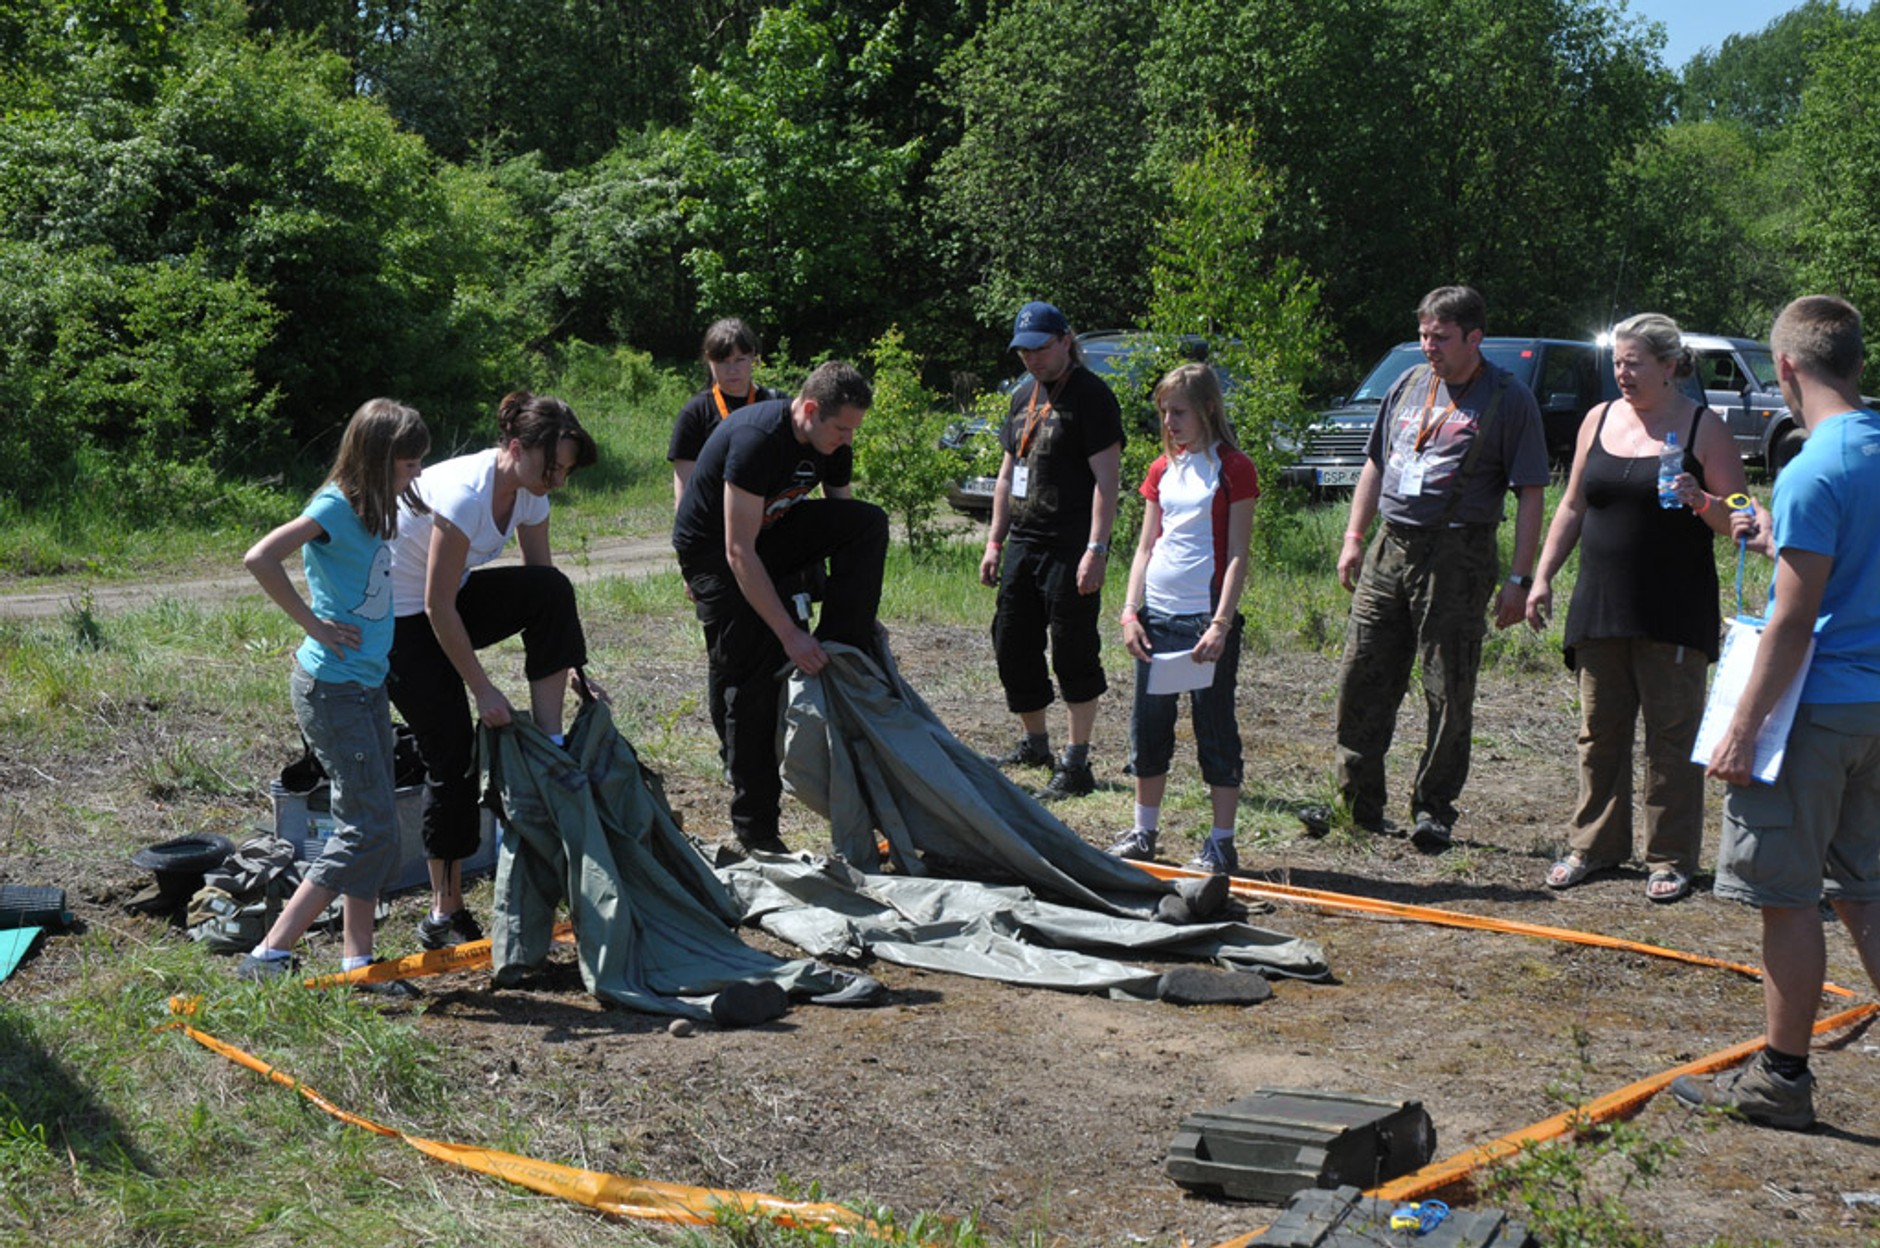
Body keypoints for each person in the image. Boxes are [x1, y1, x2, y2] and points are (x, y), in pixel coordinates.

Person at [1670, 295, 1880, 1131]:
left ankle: (1780, 1081)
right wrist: (1771, 535)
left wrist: (1743, 731)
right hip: (1872, 707)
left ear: (1786, 368)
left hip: (1812, 715)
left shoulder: (1814, 467)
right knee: (1867, 891)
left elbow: (1793, 621)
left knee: (1787, 897)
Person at [1526, 314, 1749, 902]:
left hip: (1673, 609)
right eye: (1618, 362)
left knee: (1672, 740)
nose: (1622, 373)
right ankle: (1593, 847)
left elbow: (1741, 522)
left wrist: (1703, 500)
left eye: (1635, 363)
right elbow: (1572, 504)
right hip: (1601, 605)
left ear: (1670, 365)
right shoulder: (1598, 419)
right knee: (1598, 734)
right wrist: (1542, 576)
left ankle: (1671, 858)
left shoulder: (1706, 429)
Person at [1322, 285, 1548, 851]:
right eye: (1424, 334)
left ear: (1475, 337)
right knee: (1363, 673)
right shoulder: (1407, 384)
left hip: (1458, 554)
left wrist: (1520, 579)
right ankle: (1357, 803)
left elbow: (1531, 494)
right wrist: (1354, 537)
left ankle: (1433, 808)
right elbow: (1375, 463)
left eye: (1441, 337)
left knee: (1448, 686)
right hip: (1389, 546)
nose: (1429, 347)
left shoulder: (1507, 398)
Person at [387, 391, 599, 950]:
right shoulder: (464, 495)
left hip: (447, 603)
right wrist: (482, 689)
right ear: (513, 447)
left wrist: (572, 664)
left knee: (553, 590)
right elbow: (435, 606)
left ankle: (550, 745)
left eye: (565, 470)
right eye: (550, 467)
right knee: (452, 750)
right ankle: (444, 912)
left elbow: (542, 580)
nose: (557, 479)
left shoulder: (529, 493)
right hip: (398, 624)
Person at [237, 399, 430, 984]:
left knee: (372, 818)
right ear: (375, 460)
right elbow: (261, 557)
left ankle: (358, 959)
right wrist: (315, 625)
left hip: (366, 685)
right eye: (407, 464)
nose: (415, 474)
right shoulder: (334, 506)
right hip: (332, 689)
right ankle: (269, 954)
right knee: (368, 828)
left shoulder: (378, 505)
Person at [672, 360, 888, 855]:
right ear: (809, 410)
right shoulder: (756, 440)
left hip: (770, 533)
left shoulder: (832, 440)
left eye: (853, 430)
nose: (847, 440)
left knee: (869, 523)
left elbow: (842, 519)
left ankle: (845, 646)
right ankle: (757, 828)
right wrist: (791, 634)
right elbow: (737, 551)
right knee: (755, 676)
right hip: (716, 552)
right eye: (841, 429)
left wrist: (853, 609)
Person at [1104, 365, 1258, 874]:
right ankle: (1144, 832)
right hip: (1157, 618)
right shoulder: (1160, 470)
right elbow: (1146, 545)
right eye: (1164, 412)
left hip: (1203, 622)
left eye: (1179, 412)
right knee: (1149, 729)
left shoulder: (1233, 468)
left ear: (1208, 409)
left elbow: (1238, 552)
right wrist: (1129, 610)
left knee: (1214, 727)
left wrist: (1220, 623)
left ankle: (1221, 842)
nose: (1169, 422)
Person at [978, 301, 1124, 800]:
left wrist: (1097, 549)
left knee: (1073, 648)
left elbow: (1108, 481)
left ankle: (1076, 760)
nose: (1033, 359)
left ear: (1065, 340)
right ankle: (1035, 741)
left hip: (1070, 546)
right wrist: (995, 540)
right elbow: (1005, 475)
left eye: (1041, 348)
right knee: (1011, 641)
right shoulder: (1022, 396)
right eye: (1024, 351)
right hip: (1023, 540)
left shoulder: (1092, 398)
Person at [668, 318, 786, 507]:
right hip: (716, 519)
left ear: (753, 358)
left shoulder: (777, 404)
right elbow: (685, 492)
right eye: (723, 362)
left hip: (771, 514)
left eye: (740, 360)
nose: (733, 370)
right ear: (708, 360)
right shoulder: (695, 413)